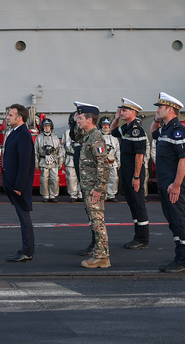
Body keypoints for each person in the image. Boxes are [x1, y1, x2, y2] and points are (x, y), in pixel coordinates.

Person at [150, 92, 185, 274]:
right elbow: (153, 133)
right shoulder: (166, 128)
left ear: (170, 109)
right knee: (172, 221)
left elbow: (184, 159)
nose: (158, 110)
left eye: (160, 107)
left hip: (173, 184)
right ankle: (179, 258)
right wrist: (157, 118)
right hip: (165, 183)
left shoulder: (177, 129)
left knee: (179, 220)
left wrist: (176, 184)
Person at [72, 103, 110, 268]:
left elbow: (104, 165)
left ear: (89, 119)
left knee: (97, 222)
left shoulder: (96, 137)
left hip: (93, 188)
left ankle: (102, 257)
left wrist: (98, 188)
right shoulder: (88, 136)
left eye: (80, 118)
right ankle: (99, 253)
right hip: (88, 187)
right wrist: (75, 122)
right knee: (94, 221)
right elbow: (77, 137)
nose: (78, 121)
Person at [110, 98, 149, 248]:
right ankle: (137, 236)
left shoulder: (136, 130)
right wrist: (116, 118)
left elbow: (139, 156)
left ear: (133, 112)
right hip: (126, 171)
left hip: (134, 173)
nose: (122, 112)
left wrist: (137, 176)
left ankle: (143, 238)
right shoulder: (126, 127)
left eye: (124, 110)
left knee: (138, 204)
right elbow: (113, 132)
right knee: (132, 203)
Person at [2, 103, 36, 263]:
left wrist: (19, 187)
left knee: (24, 217)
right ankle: (27, 248)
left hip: (18, 186)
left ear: (19, 117)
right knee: (23, 216)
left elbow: (25, 163)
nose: (7, 117)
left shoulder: (23, 134)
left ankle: (27, 250)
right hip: (13, 184)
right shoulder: (16, 132)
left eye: (10, 115)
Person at [35, 118, 61, 202]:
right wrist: (36, 162)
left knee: (54, 178)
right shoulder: (39, 138)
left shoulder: (55, 137)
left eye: (48, 126)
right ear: (42, 127)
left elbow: (60, 150)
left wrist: (60, 161)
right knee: (44, 179)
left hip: (54, 160)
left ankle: (53, 195)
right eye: (45, 126)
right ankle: (45, 195)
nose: (47, 127)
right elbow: (35, 151)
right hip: (43, 160)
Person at [98, 117, 120, 201]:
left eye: (107, 124)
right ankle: (103, 195)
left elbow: (118, 151)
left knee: (114, 178)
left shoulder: (114, 138)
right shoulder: (98, 136)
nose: (105, 126)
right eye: (103, 124)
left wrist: (118, 162)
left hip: (112, 161)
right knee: (102, 179)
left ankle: (111, 195)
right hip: (101, 162)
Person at [63, 111, 82, 202]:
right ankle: (73, 195)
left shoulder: (82, 130)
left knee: (81, 177)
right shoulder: (66, 133)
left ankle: (81, 194)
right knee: (71, 178)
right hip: (70, 157)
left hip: (80, 157)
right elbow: (62, 147)